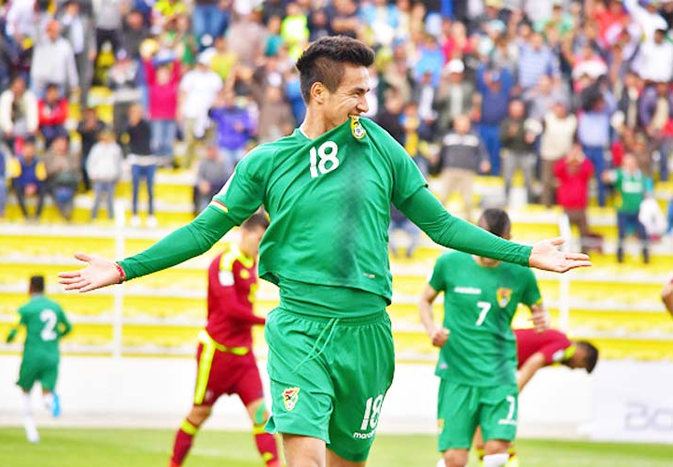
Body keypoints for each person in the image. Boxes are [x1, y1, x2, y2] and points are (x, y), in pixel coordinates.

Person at [60, 36, 590, 467]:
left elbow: (442, 224)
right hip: (300, 330)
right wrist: (124, 267)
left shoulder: (382, 147)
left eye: (368, 91)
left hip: (368, 337)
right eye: (356, 93)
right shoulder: (266, 162)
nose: (366, 104)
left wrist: (524, 253)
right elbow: (202, 232)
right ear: (318, 93)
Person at [419, 208, 549, 467]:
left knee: (497, 452)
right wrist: (432, 329)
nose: (490, 251)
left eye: (498, 243)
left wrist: (541, 318)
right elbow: (424, 300)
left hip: (499, 373)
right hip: (457, 371)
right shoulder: (449, 263)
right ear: (475, 234)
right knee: (454, 459)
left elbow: (538, 308)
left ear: (509, 239)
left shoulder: (520, 272)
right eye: (485, 241)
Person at [169, 213, 280, 467]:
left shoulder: (252, 263)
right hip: (217, 353)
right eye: (259, 239)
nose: (261, 245)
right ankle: (174, 464)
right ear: (245, 232)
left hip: (243, 356)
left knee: (261, 415)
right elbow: (230, 310)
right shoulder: (225, 263)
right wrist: (266, 321)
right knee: (199, 413)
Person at [473, 328, 599, 466]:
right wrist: (513, 393)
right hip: (491, 358)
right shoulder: (565, 347)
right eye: (580, 365)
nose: (574, 368)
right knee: (498, 428)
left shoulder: (559, 342)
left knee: (483, 428)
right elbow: (535, 362)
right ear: (583, 354)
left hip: (489, 359)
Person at [6, 275, 72, 443]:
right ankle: (50, 401)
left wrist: (9, 338)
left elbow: (14, 329)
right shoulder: (55, 307)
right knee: (47, 390)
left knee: (26, 391)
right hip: (52, 355)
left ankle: (31, 431)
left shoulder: (25, 309)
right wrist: (56, 338)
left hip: (32, 356)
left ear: (30, 287)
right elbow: (68, 328)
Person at [603, 153, 653, 263]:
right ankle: (620, 257)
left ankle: (646, 256)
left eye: (631, 163)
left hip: (637, 211)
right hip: (623, 210)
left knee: (643, 233)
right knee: (621, 233)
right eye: (627, 163)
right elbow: (606, 177)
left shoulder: (640, 176)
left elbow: (647, 190)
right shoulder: (620, 174)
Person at [86, 128, 123, 221]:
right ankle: (93, 217)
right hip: (99, 177)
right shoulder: (96, 148)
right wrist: (92, 174)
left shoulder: (115, 148)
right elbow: (90, 162)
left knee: (110, 199)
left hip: (111, 177)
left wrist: (118, 174)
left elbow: (119, 163)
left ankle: (111, 217)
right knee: (97, 198)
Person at [10, 137, 47, 221]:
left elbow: (41, 178)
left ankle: (37, 216)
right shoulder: (17, 161)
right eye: (27, 151)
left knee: (43, 189)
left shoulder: (39, 162)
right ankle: (26, 215)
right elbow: (15, 178)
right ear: (22, 151)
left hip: (35, 186)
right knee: (17, 189)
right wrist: (26, 186)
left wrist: (34, 186)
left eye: (31, 151)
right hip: (22, 186)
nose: (29, 153)